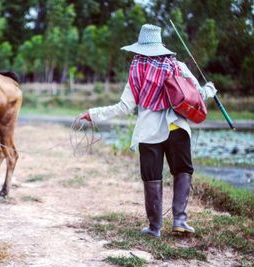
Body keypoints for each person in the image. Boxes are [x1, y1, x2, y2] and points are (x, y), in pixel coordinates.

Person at [80, 24, 217, 238]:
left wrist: (93, 113)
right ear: (161, 45)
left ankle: (154, 228)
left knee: (152, 177)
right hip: (176, 128)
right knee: (183, 170)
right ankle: (180, 220)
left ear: (140, 47)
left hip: (149, 132)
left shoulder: (137, 69)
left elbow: (124, 107)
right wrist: (210, 88)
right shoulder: (178, 66)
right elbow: (198, 95)